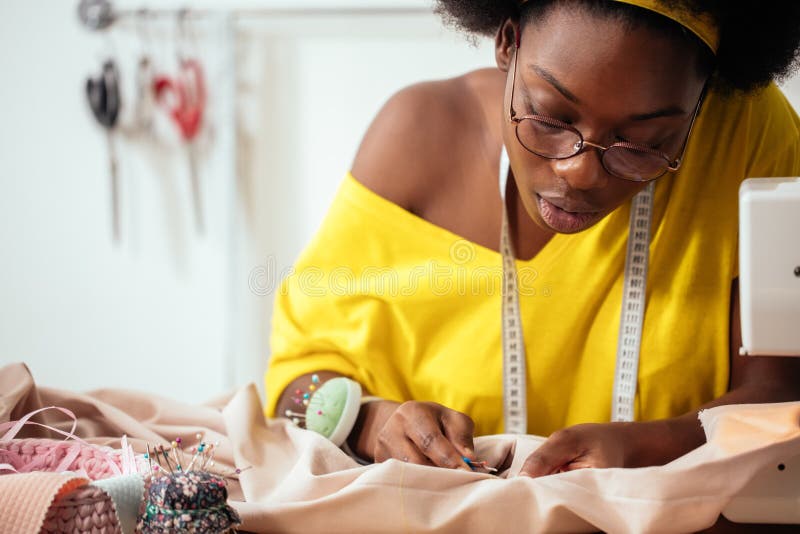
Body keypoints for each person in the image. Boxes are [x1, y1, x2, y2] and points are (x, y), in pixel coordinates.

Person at [265, 0, 800, 477]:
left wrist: (646, 446)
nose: (579, 173)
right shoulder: (416, 135)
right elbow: (292, 392)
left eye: (642, 143)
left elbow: (779, 397)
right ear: (507, 41)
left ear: (703, 103)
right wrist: (368, 420)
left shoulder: (748, 140)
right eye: (548, 117)